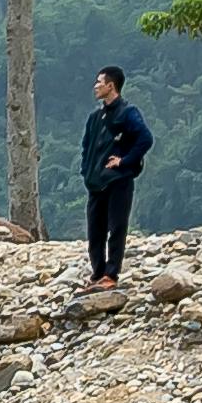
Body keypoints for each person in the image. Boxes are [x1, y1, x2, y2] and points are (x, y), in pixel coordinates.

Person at [77, 65, 154, 284]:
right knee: (95, 233)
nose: (95, 87)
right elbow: (86, 147)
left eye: (99, 82)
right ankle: (97, 273)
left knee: (117, 228)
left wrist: (125, 161)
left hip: (118, 180)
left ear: (111, 86)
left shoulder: (127, 113)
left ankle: (111, 274)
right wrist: (86, 170)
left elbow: (145, 139)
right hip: (96, 183)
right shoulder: (95, 117)